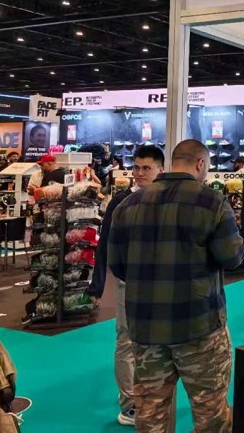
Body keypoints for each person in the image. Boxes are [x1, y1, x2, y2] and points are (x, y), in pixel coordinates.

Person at [108, 140, 244, 433]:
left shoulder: (127, 205)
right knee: (211, 415)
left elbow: (117, 266)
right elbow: (232, 257)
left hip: (146, 329)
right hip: (199, 327)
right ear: (201, 164)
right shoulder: (212, 202)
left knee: (150, 416)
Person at [88, 146, 165, 426]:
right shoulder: (121, 202)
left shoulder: (168, 201)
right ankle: (129, 404)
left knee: (157, 341)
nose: (140, 173)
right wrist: (97, 286)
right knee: (126, 341)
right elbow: (105, 246)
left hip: (162, 284)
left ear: (160, 170)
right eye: (137, 167)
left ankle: (151, 396)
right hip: (128, 282)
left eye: (147, 168)